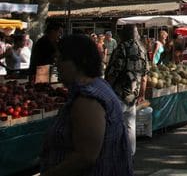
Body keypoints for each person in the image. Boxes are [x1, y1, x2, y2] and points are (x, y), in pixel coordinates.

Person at [39, 34, 132, 176]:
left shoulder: (87, 98)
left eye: (61, 59)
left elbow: (85, 156)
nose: (57, 64)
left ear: (80, 61)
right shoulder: (97, 86)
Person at [104, 24, 149, 156]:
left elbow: (113, 72)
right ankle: (130, 155)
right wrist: (142, 94)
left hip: (119, 93)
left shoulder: (122, 48)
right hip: (133, 95)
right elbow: (145, 75)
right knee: (130, 126)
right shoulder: (142, 49)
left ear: (125, 34)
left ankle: (114, 155)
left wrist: (106, 89)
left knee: (113, 125)